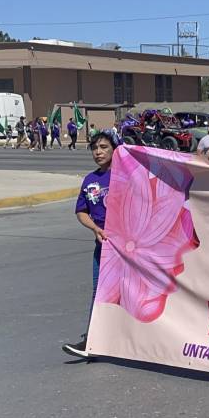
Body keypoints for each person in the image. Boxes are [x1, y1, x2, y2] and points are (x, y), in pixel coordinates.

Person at [62, 132, 118, 360]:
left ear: (115, 149)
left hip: (131, 250)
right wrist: (95, 228)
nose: (98, 152)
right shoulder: (90, 180)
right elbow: (81, 211)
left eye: (104, 147)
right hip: (103, 248)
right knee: (100, 294)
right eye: (95, 148)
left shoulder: (128, 175)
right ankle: (93, 342)